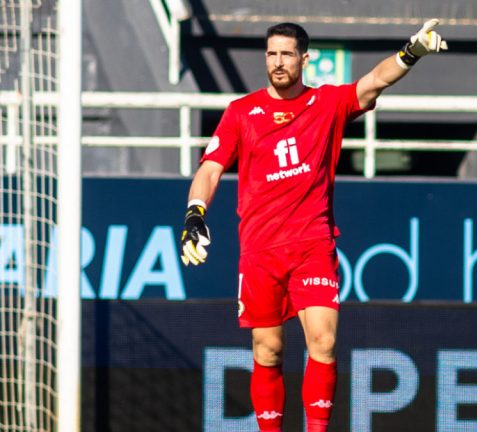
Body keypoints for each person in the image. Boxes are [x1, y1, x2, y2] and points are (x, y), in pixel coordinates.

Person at [180, 20, 447, 432]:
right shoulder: (241, 113)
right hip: (260, 250)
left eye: (287, 54)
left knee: (323, 340)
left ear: (305, 59)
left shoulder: (326, 103)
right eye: (271, 54)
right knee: (267, 350)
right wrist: (195, 212)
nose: (278, 62)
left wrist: (412, 52)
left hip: (312, 243)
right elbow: (211, 169)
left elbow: (374, 81)